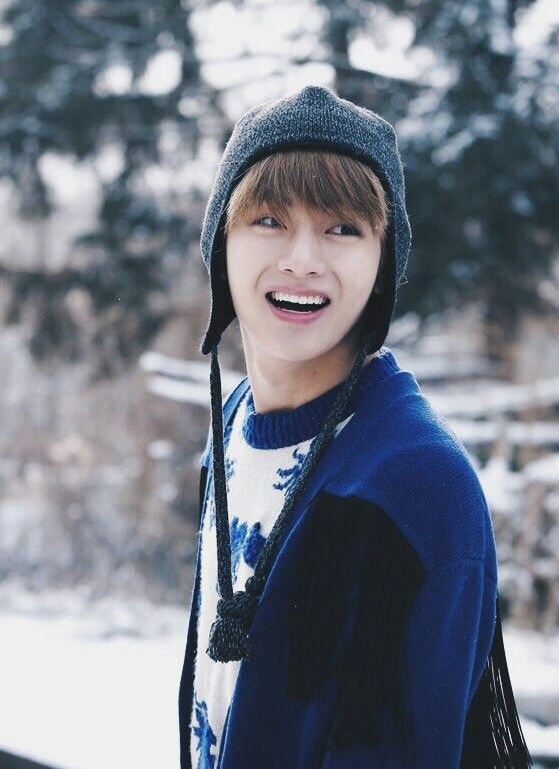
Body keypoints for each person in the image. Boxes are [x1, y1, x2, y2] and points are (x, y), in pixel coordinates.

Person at [178, 84, 532, 769]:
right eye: (269, 220)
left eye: (342, 228)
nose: (302, 259)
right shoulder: (233, 427)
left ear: (382, 264)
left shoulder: (416, 485)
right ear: (221, 243)